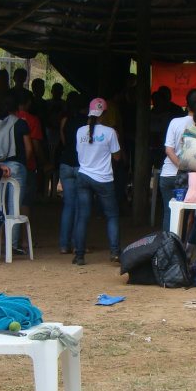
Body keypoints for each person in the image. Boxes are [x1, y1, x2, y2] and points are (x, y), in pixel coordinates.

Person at [73, 97, 121, 266]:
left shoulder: (80, 131)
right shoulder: (110, 132)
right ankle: (114, 252)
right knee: (112, 216)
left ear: (90, 112)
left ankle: (79, 255)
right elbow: (117, 156)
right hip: (103, 179)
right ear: (104, 114)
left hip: (84, 176)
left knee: (83, 217)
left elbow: (79, 152)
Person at [158, 88, 196, 231]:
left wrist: (181, 166)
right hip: (192, 178)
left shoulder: (175, 122)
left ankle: (169, 243)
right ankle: (183, 243)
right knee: (187, 216)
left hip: (169, 175)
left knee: (169, 213)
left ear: (187, 105)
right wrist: (187, 169)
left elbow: (169, 150)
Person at [0, 93, 32, 253]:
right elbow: (29, 148)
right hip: (16, 166)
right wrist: (23, 164)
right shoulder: (20, 123)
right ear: (16, 108)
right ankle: (12, 246)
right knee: (14, 207)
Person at [58, 91, 86, 255]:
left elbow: (64, 142)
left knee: (68, 205)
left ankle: (63, 245)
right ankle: (77, 244)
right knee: (80, 206)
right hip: (81, 164)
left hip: (66, 163)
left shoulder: (65, 120)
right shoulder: (88, 123)